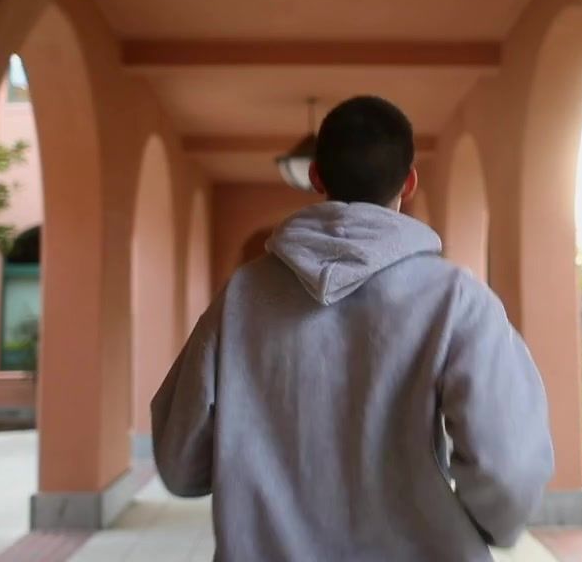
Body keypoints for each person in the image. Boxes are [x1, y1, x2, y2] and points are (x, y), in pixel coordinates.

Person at [151, 96, 554, 561]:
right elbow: (507, 465)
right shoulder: (455, 297)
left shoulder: (243, 296)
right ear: (409, 181)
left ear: (316, 176)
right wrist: (484, 525)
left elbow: (180, 462)